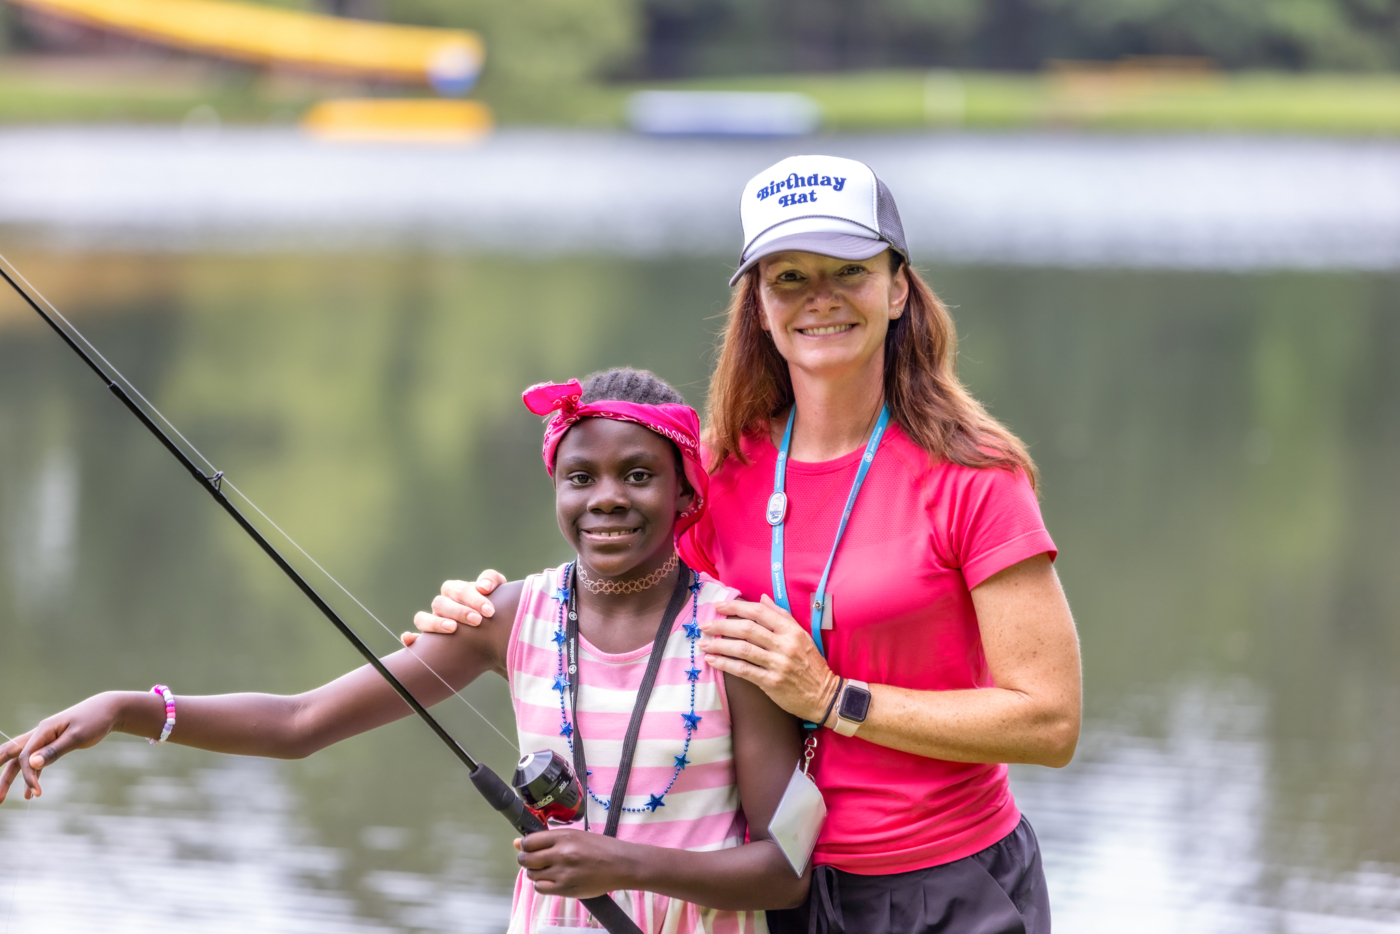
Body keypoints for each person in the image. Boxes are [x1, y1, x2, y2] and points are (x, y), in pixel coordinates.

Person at [411, 157, 1082, 934]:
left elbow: (1049, 724)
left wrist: (834, 698)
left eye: (849, 272)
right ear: (758, 305)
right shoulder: (722, 472)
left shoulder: (976, 477)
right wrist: (491, 610)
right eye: (789, 277)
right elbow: (627, 610)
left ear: (898, 287)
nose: (820, 298)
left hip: (948, 888)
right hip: (779, 891)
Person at [0, 368, 808, 934]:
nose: (605, 498)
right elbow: (301, 721)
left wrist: (620, 864)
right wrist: (128, 709)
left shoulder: (738, 635)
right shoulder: (508, 617)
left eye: (638, 476)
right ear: (555, 486)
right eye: (579, 476)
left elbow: (786, 868)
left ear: (685, 491)